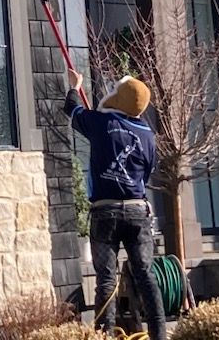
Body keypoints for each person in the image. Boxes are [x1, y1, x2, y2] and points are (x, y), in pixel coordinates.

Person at [65, 68, 166, 340]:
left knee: (106, 280)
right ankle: (160, 335)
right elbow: (146, 174)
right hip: (137, 210)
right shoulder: (147, 135)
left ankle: (104, 336)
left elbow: (72, 110)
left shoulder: (100, 123)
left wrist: (75, 86)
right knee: (146, 276)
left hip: (105, 211)